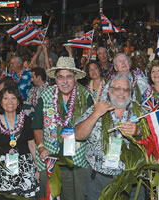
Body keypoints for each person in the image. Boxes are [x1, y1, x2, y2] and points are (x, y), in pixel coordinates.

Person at [75, 74, 145, 200]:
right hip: (100, 180)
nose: (122, 92)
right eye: (117, 88)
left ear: (131, 93)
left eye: (126, 89)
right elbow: (79, 135)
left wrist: (138, 131)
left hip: (132, 180)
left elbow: (154, 140)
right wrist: (96, 114)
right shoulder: (96, 109)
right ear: (109, 91)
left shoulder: (140, 112)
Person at [31, 56, 92, 200]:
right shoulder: (46, 95)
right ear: (56, 79)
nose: (64, 81)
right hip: (50, 158)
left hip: (77, 159)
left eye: (69, 77)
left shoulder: (86, 96)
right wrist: (40, 147)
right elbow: (37, 125)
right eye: (60, 77)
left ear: (75, 78)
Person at [0, 86, 39, 198]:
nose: (10, 102)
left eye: (13, 98)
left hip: (25, 170)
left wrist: (37, 168)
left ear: (18, 101)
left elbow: (32, 145)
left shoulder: (26, 120)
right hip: (3, 171)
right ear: (0, 102)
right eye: (6, 98)